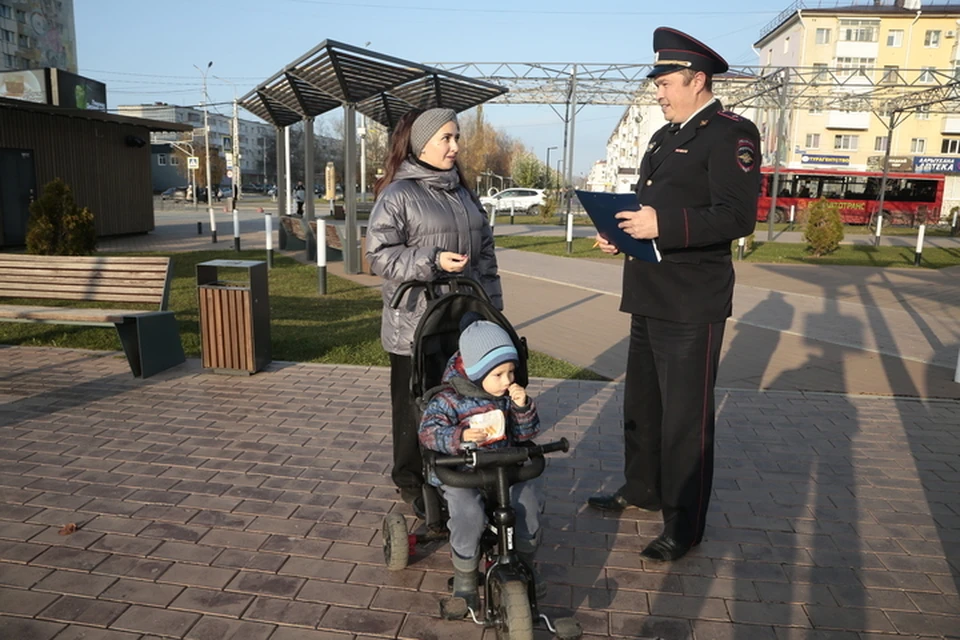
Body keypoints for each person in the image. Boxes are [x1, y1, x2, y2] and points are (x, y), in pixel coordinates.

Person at [588, 27, 761, 562]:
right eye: (657, 83)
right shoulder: (664, 137)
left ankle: (684, 525)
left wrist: (661, 223)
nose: (657, 92)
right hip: (648, 291)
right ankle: (642, 488)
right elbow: (649, 210)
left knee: (685, 419)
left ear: (697, 80)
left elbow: (736, 217)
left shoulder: (731, 133)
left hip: (692, 302)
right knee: (643, 405)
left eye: (665, 82)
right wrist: (621, 234)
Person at [366, 107, 502, 515]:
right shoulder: (398, 194)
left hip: (462, 320)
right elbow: (378, 256)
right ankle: (411, 480)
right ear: (421, 143)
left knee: (461, 401)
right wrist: (432, 260)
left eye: (456, 137)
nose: (455, 146)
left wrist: (492, 314)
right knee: (414, 407)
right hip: (415, 325)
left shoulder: (463, 193)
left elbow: (487, 259)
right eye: (446, 138)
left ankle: (455, 473)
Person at [419, 313, 541, 609]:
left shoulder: (507, 396)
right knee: (468, 515)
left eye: (511, 372)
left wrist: (522, 408)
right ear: (475, 371)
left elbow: (525, 434)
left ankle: (523, 567)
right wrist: (459, 436)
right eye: (498, 375)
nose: (508, 380)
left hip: (503, 468)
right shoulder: (448, 400)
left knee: (529, 505)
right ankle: (464, 580)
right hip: (463, 471)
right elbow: (428, 433)